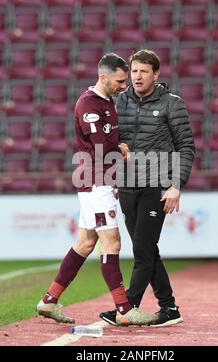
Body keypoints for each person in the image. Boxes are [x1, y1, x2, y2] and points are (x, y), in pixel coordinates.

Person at [36, 53, 156, 326]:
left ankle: (49, 301)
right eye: (120, 80)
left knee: (86, 243)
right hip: (96, 181)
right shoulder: (89, 105)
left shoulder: (105, 101)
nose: (124, 85)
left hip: (98, 180)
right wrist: (122, 149)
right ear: (103, 76)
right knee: (111, 242)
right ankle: (125, 311)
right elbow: (101, 147)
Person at [99, 50, 195, 327]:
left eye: (143, 71)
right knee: (148, 250)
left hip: (155, 186)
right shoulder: (119, 101)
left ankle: (127, 308)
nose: (137, 76)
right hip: (127, 186)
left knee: (143, 249)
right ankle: (169, 307)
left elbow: (186, 147)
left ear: (156, 74)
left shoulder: (172, 104)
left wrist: (176, 185)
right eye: (134, 71)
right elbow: (115, 142)